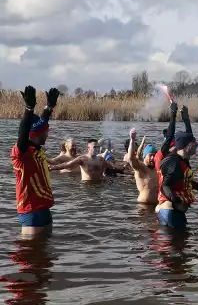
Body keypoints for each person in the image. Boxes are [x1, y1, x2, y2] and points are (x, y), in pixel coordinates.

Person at [11, 86, 60, 236]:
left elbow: (42, 121)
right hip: (30, 211)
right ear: (37, 133)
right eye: (46, 130)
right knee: (29, 255)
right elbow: (24, 132)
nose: (48, 132)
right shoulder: (21, 153)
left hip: (44, 208)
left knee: (46, 255)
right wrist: (29, 108)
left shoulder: (37, 148)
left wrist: (49, 107)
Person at [157, 129, 198, 230]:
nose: (197, 145)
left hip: (177, 212)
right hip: (170, 212)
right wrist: (174, 198)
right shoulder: (175, 163)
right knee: (171, 244)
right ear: (187, 145)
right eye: (194, 143)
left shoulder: (182, 161)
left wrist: (196, 186)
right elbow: (164, 186)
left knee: (183, 243)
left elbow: (180, 179)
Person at [49, 139, 118, 181]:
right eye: (72, 146)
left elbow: (111, 166)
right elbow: (64, 164)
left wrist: (122, 167)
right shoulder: (66, 157)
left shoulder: (98, 159)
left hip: (97, 184)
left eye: (75, 145)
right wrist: (52, 167)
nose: (74, 147)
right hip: (82, 182)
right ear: (66, 147)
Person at [125, 128, 158, 205]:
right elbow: (131, 158)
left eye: (154, 155)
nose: (153, 158)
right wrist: (132, 140)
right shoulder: (140, 168)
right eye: (150, 156)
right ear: (144, 157)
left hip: (156, 206)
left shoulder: (157, 168)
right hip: (143, 207)